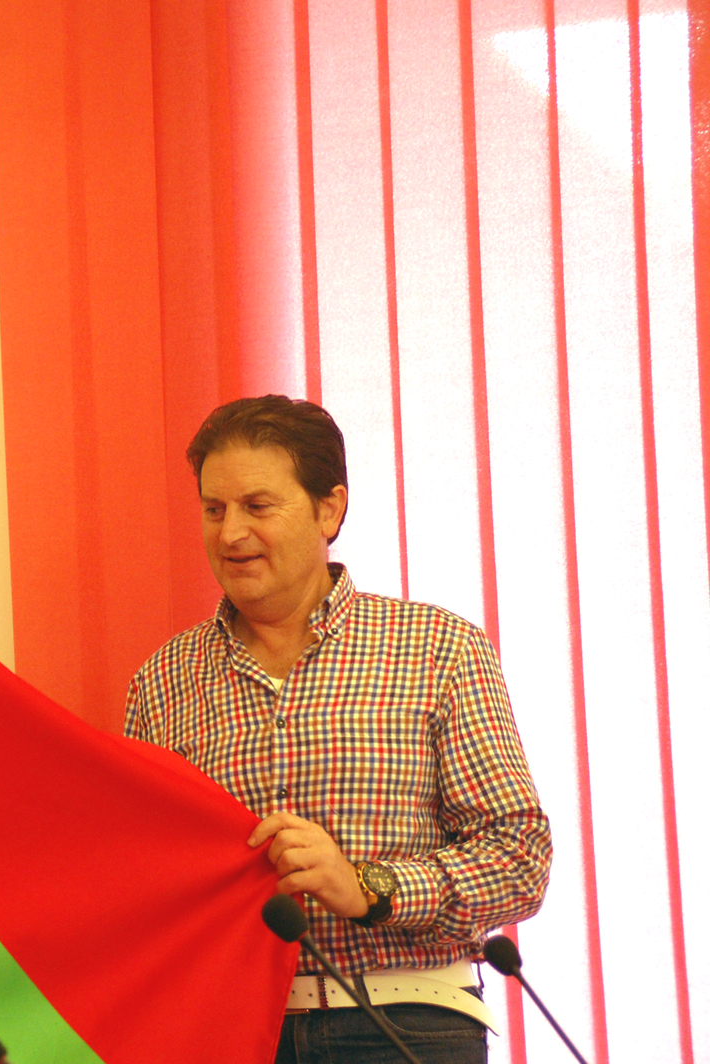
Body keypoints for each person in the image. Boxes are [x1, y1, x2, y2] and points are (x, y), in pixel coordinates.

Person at [125, 396, 551, 1064]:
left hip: (407, 1021)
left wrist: (368, 887)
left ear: (329, 509)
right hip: (228, 1032)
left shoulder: (437, 648)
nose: (230, 533)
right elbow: (145, 884)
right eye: (214, 509)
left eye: (257, 506)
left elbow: (518, 858)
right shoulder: (161, 682)